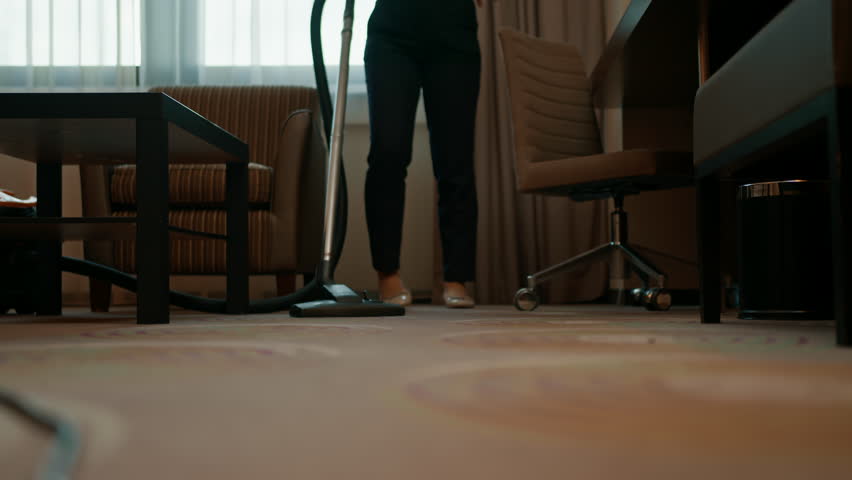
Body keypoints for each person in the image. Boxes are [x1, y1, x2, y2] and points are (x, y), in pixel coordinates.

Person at [364, 0, 483, 308]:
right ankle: (387, 273)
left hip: (454, 33)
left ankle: (456, 278)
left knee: (454, 158)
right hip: (392, 31)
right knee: (387, 153)